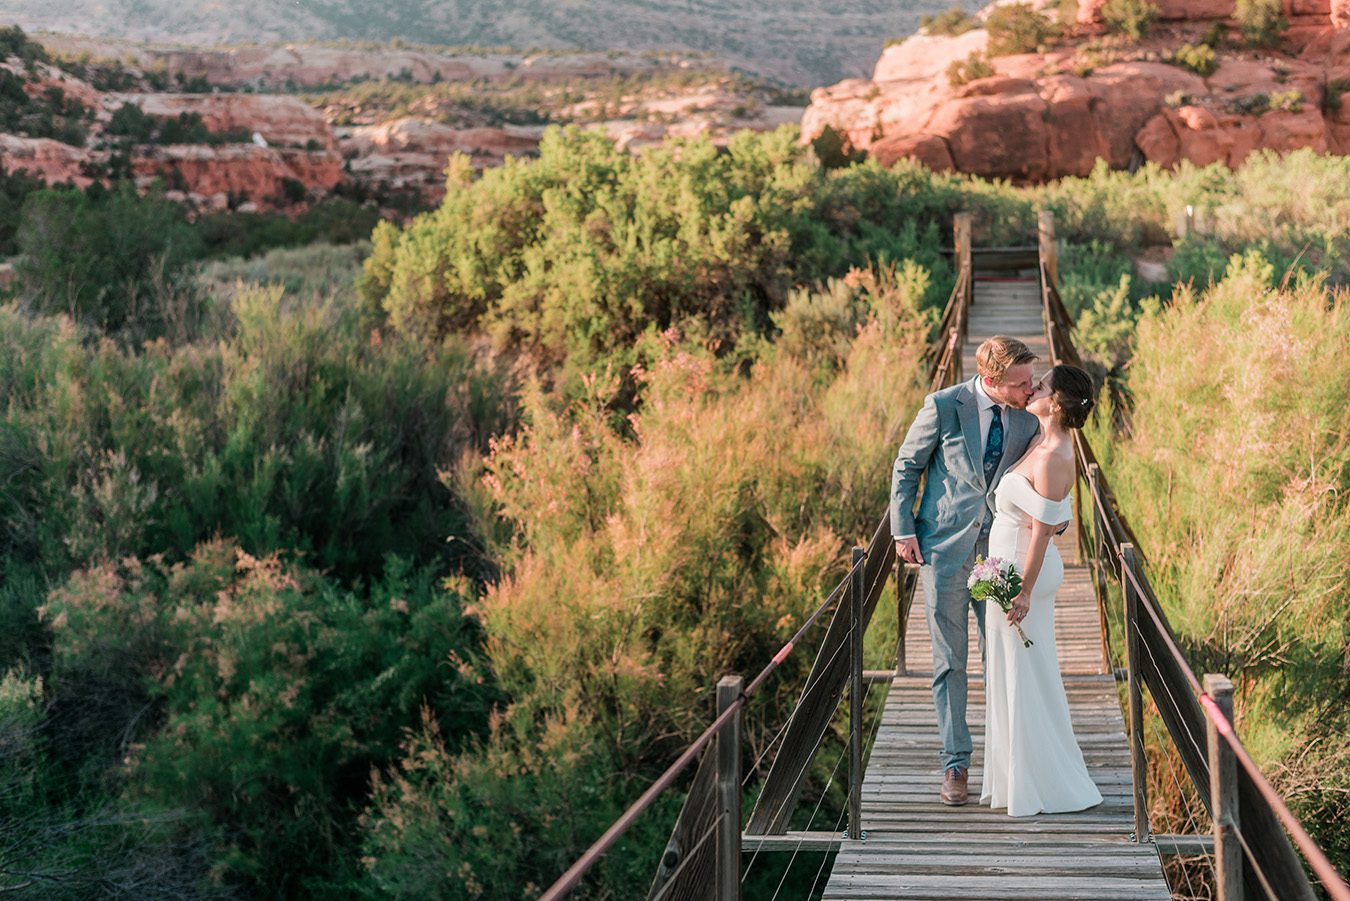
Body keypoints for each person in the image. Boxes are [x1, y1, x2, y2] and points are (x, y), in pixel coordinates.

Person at [891, 336, 1040, 806]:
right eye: (1020, 383)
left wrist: (1050, 518)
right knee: (950, 660)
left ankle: (1003, 758)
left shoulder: (1026, 414)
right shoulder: (942, 406)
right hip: (944, 551)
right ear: (992, 382)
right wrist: (903, 529)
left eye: (1031, 381)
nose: (1029, 389)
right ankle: (955, 762)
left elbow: (1044, 468)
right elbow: (907, 466)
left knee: (998, 653)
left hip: (999, 551)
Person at [980, 363, 1103, 816]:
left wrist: (1024, 591)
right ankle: (1014, 779)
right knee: (1015, 676)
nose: (1033, 388)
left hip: (1023, 575)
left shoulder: (1054, 456)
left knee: (1023, 677)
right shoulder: (1040, 440)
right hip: (1008, 567)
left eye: (1042, 385)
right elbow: (1051, 513)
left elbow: (1043, 531)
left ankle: (1039, 784)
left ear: (1055, 403)